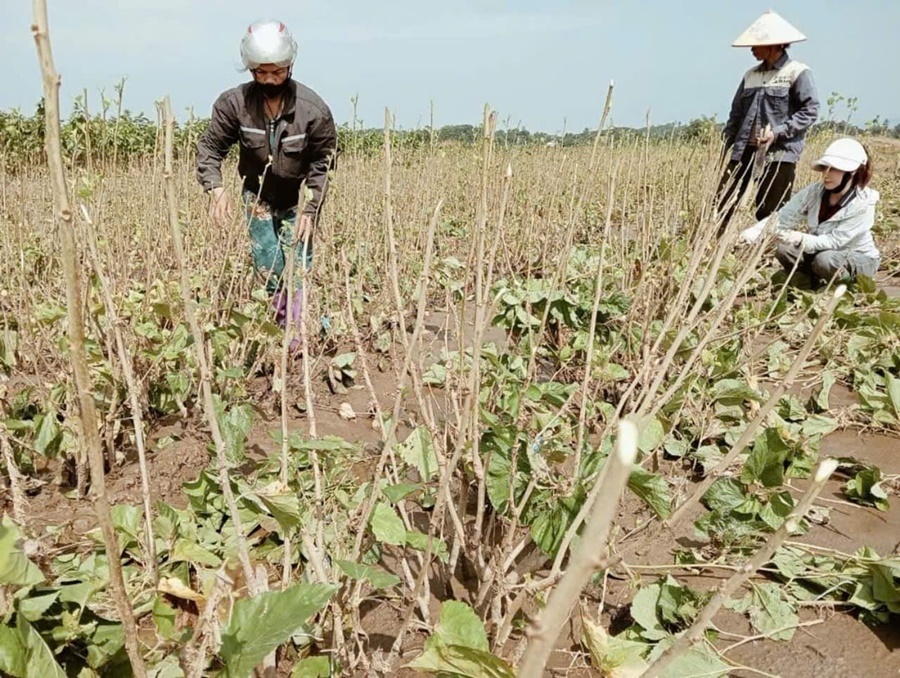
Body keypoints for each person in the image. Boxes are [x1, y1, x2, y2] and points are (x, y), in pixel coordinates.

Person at [196, 19, 337, 352]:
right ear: (250, 69)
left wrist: (311, 208)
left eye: (277, 72)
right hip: (256, 196)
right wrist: (215, 189)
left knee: (299, 264)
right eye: (261, 73)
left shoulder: (313, 110)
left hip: (297, 199)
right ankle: (278, 323)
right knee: (267, 262)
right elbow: (210, 149)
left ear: (290, 66)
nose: (270, 79)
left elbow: (324, 162)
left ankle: (299, 333)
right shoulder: (234, 105)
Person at [716, 10, 819, 231]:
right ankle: (717, 245)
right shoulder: (750, 75)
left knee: (770, 208)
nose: (752, 49)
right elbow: (736, 114)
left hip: (779, 152)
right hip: (745, 148)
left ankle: (766, 249)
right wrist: (725, 144)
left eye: (756, 44)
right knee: (724, 198)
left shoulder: (797, 72)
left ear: (775, 45)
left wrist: (778, 131)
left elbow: (810, 110)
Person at [738, 137, 881, 285]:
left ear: (852, 172)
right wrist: (754, 233)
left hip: (856, 257)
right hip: (821, 251)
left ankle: (846, 284)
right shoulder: (814, 192)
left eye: (834, 169)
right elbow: (783, 217)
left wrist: (800, 238)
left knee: (825, 261)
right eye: (825, 168)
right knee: (784, 249)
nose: (826, 174)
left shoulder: (864, 203)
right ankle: (811, 279)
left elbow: (834, 242)